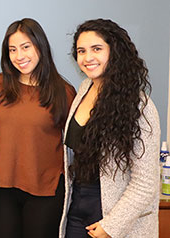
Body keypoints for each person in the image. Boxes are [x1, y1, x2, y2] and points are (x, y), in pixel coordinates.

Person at [59, 19, 160, 238]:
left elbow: (145, 183)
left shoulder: (140, 106)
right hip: (77, 209)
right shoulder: (84, 88)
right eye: (81, 51)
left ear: (115, 51)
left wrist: (112, 225)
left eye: (96, 49)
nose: (87, 58)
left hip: (115, 215)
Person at [0, 18, 76, 238]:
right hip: (1, 190)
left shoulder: (63, 92)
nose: (19, 56)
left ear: (40, 46)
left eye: (26, 47)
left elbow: (79, 143)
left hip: (46, 191)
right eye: (12, 49)